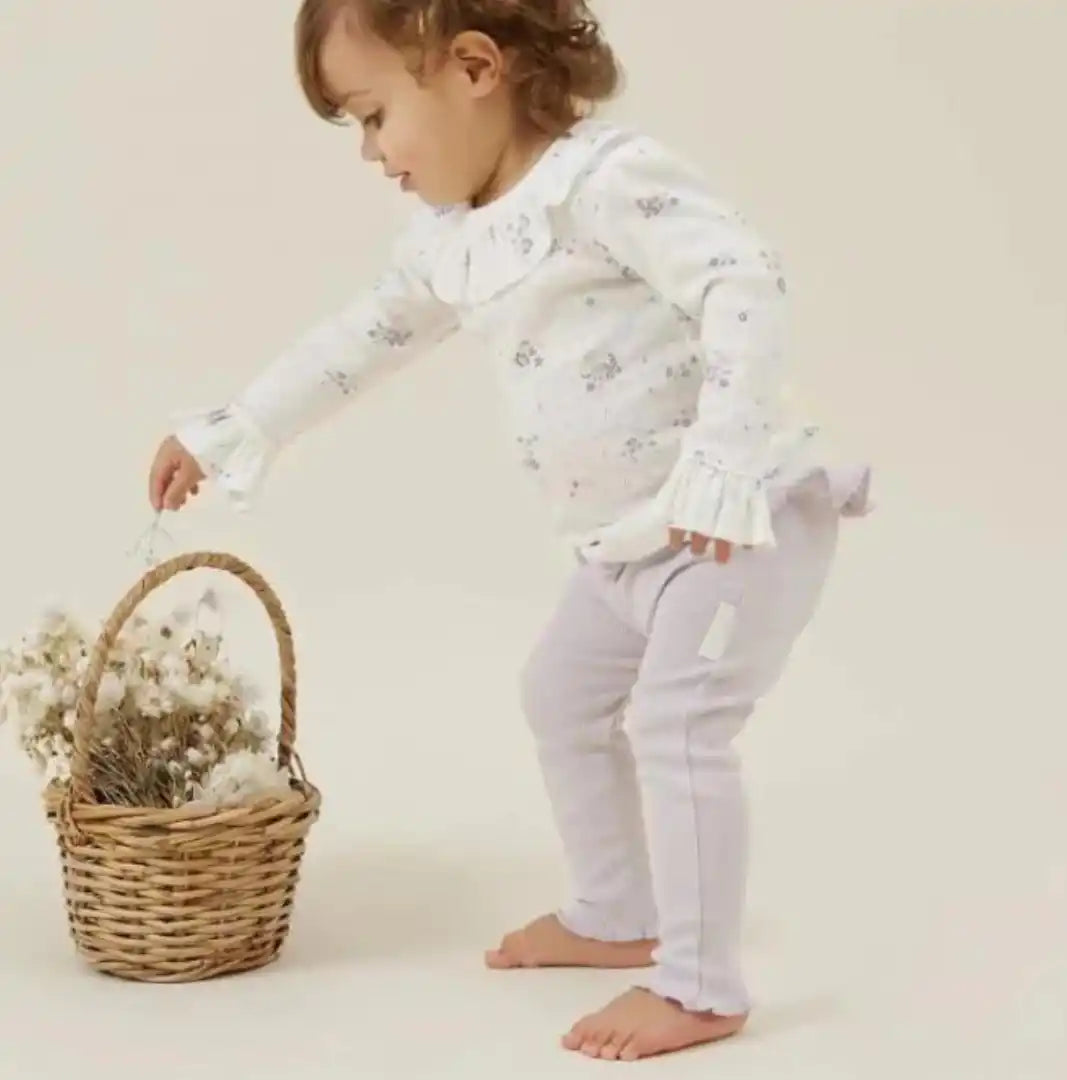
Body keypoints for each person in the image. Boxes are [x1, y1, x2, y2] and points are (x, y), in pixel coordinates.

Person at [148, 0, 871, 1062]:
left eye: (373, 113)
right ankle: (618, 910)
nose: (370, 152)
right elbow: (361, 339)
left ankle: (703, 984)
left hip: (734, 526)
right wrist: (239, 424)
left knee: (676, 727)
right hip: (625, 546)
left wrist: (721, 455)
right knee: (560, 698)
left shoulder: (607, 181)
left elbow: (743, 282)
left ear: (475, 66)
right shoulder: (457, 236)